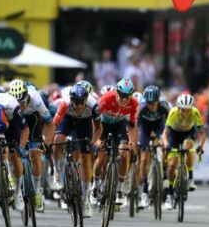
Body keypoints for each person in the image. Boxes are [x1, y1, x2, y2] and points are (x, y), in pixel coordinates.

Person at [52, 83, 102, 218]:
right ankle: (57, 171)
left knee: (86, 160)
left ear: (86, 100)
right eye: (76, 102)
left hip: (85, 123)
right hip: (68, 120)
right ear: (71, 100)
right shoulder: (64, 104)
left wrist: (92, 143)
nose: (79, 106)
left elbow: (98, 129)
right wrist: (50, 141)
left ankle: (85, 200)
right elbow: (54, 124)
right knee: (58, 139)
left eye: (82, 102)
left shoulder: (94, 106)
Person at [8, 79, 54, 213]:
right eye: (17, 104)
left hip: (32, 120)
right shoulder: (8, 102)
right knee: (13, 154)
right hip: (16, 122)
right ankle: (16, 188)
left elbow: (50, 123)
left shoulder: (36, 99)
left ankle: (38, 190)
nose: (21, 106)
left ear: (27, 97)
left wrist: (47, 144)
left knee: (35, 155)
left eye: (22, 102)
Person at [93, 78, 139, 205]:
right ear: (117, 93)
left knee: (125, 154)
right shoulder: (106, 98)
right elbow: (93, 121)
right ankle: (95, 186)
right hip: (103, 125)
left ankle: (119, 191)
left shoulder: (134, 104)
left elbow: (132, 126)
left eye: (127, 96)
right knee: (101, 159)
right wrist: (96, 140)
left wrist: (132, 142)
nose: (124, 99)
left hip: (119, 125)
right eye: (122, 96)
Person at [162, 93, 206, 210]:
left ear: (191, 109)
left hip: (188, 133)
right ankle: (170, 194)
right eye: (182, 110)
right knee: (172, 165)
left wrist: (200, 146)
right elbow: (165, 133)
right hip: (174, 135)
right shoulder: (173, 113)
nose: (184, 113)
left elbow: (202, 133)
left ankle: (190, 177)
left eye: (187, 110)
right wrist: (166, 144)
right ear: (178, 108)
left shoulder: (195, 112)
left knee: (188, 147)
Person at [136, 85, 169, 208]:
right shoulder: (142, 108)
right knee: (144, 158)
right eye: (149, 103)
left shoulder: (164, 107)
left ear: (158, 101)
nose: (151, 106)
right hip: (145, 127)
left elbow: (169, 125)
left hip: (159, 126)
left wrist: (163, 139)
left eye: (153, 103)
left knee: (165, 147)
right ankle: (144, 191)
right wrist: (137, 141)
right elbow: (135, 126)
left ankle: (164, 171)